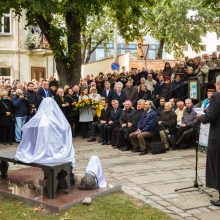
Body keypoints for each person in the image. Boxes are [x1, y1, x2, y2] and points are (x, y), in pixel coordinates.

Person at [197, 75, 220, 206]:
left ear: (218, 85)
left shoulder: (216, 97)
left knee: (217, 165)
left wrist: (201, 116)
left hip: (217, 137)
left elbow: (210, 117)